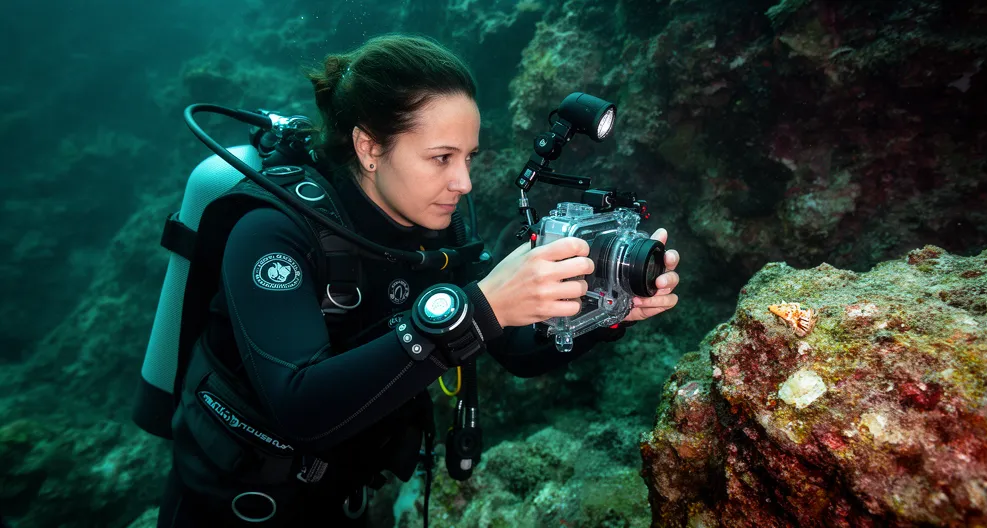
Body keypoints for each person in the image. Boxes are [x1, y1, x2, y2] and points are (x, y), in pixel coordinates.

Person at [155, 34, 680, 527]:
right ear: (368, 147)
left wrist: (607, 312)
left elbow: (515, 350)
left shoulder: (442, 225)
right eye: (441, 158)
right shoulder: (272, 231)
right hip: (233, 510)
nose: (464, 182)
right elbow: (300, 409)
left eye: (468, 157)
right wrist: (479, 309)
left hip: (344, 500)